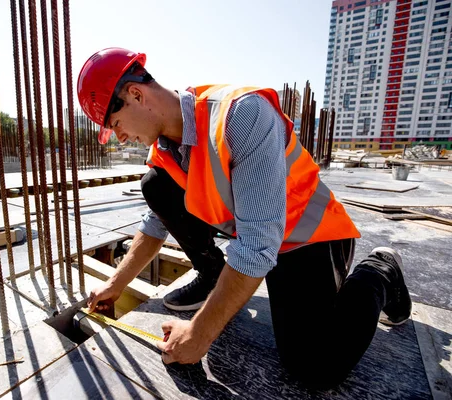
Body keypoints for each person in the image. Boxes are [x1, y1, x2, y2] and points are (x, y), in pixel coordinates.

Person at [77, 47, 412, 388]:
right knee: (155, 186)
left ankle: (379, 270)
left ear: (136, 94)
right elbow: (156, 223)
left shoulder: (241, 115)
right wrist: (115, 285)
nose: (118, 137)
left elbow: (257, 247)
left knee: (314, 367)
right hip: (258, 235)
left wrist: (198, 334)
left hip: (307, 233)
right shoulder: (163, 150)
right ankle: (213, 275)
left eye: (114, 124)